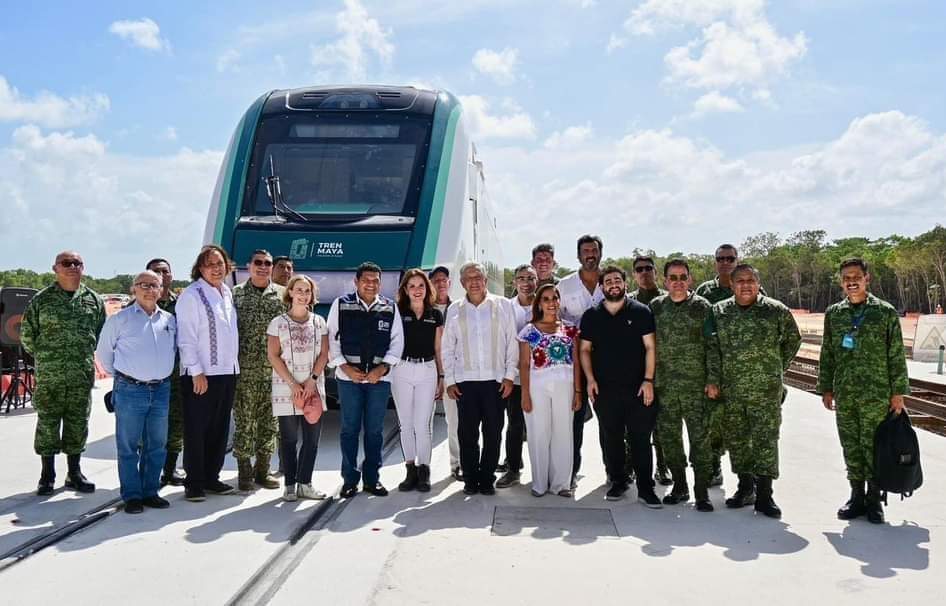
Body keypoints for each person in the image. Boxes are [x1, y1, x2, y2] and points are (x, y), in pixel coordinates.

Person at [818, 258, 910, 524]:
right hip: (846, 393)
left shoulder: (884, 312)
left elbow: (895, 355)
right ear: (841, 282)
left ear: (867, 278)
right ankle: (856, 495)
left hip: (877, 394)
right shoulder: (834, 314)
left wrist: (897, 393)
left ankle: (874, 499)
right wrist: (826, 387)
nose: (851, 281)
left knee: (874, 447)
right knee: (851, 445)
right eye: (846, 277)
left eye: (856, 276)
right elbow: (828, 353)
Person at [706, 264, 801, 518]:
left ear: (758, 284)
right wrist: (714, 379)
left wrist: (776, 367)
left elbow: (793, 339)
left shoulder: (774, 310)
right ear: (732, 284)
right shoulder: (720, 311)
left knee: (766, 440)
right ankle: (745, 487)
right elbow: (713, 348)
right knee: (737, 441)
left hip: (766, 390)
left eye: (750, 280)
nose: (745, 285)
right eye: (740, 281)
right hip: (732, 389)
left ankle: (765, 494)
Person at [22, 251, 106, 496]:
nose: (72, 267)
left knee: (78, 424)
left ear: (83, 268)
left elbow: (98, 332)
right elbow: (28, 335)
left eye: (76, 263)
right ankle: (47, 475)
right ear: (55, 268)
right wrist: (48, 357)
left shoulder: (93, 300)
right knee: (48, 424)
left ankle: (74, 472)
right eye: (66, 263)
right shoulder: (42, 300)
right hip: (50, 376)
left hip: (80, 376)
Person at [579, 265, 662, 508]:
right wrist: (591, 380)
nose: (613, 284)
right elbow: (584, 350)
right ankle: (618, 481)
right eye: (608, 281)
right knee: (612, 438)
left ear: (625, 284)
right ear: (602, 286)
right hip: (605, 390)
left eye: (617, 280)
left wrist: (648, 381)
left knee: (640, 440)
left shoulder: (641, 312)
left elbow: (650, 347)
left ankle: (646, 489)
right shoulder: (592, 315)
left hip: (638, 389)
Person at [96, 271, 177, 513]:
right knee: (129, 445)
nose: (149, 289)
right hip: (131, 390)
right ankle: (132, 495)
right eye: (144, 285)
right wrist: (125, 376)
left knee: (157, 444)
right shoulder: (119, 320)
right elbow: (103, 354)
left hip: (161, 389)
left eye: (155, 285)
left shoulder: (169, 321)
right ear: (134, 289)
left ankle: (150, 491)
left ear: (161, 290)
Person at [327, 261, 404, 498]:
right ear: (356, 282)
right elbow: (331, 340)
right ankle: (349, 480)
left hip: (378, 381)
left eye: (375, 280)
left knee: (374, 431)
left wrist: (381, 370)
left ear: (380, 283)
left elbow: (397, 342)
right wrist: (346, 368)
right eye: (366, 280)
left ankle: (373, 479)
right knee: (349, 430)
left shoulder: (390, 308)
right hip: (348, 379)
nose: (371, 284)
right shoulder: (341, 305)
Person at [442, 262, 519, 496]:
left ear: (485, 281)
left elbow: (512, 342)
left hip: (495, 381)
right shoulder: (454, 309)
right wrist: (450, 380)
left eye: (478, 277)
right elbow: (447, 347)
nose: (474, 281)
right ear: (463, 283)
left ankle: (486, 479)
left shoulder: (503, 305)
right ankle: (470, 479)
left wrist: (508, 376)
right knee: (467, 433)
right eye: (468, 278)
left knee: (493, 431)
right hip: (465, 382)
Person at [177, 245, 241, 502]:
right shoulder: (192, 295)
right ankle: (194, 481)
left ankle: (212, 477)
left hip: (227, 371)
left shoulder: (226, 292)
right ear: (200, 269)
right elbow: (186, 338)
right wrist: (196, 372)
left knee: (219, 426)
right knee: (197, 428)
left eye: (220, 263)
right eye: (210, 264)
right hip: (201, 374)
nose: (216, 268)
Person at [649, 259, 714, 511]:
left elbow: (712, 346)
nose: (678, 282)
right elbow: (647, 346)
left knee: (700, 440)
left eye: (682, 277)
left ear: (690, 280)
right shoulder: (656, 307)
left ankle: (701, 491)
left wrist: (712, 380)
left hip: (696, 387)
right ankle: (679, 485)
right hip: (664, 387)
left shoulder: (702, 308)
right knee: (669, 440)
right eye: (672, 278)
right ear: (665, 281)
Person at [267, 275, 329, 502]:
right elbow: (273, 356)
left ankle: (305, 483)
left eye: (308, 291)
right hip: (286, 389)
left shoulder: (319, 322)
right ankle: (290, 485)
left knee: (312, 440)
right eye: (299, 290)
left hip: (313, 389)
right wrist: (293, 384)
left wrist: (312, 380)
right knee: (289, 440)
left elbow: (324, 354)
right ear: (290, 292)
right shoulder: (277, 323)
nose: (303, 295)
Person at [518, 284, 581, 497]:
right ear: (539, 303)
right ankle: (539, 484)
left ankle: (561, 484)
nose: (552, 302)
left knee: (563, 432)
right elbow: (524, 365)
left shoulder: (570, 329)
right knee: (538, 432)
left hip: (565, 386)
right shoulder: (529, 331)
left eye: (555, 298)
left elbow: (577, 362)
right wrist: (525, 394)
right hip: (538, 388)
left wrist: (578, 391)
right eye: (546, 299)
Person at [232, 250, 287, 491]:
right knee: (244, 422)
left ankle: (262, 471)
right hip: (244, 372)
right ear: (249, 266)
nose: (263, 267)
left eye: (267, 263)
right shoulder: (235, 295)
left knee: (270, 424)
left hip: (274, 373)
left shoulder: (283, 295)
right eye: (258, 263)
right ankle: (244, 471)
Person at [696, 243, 750, 487]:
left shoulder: (752, 287)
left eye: (730, 258)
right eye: (721, 259)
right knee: (713, 424)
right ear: (715, 261)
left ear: (737, 260)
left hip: (744, 371)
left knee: (743, 429)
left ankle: (746, 479)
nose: (726, 263)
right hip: (714, 370)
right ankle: (714, 467)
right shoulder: (705, 291)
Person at [557, 234, 605, 489]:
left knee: (608, 421)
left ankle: (614, 471)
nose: (590, 255)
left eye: (594, 250)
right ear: (578, 256)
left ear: (600, 254)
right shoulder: (564, 286)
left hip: (606, 363)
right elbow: (557, 322)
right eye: (585, 251)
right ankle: (571, 471)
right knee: (573, 422)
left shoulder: (610, 282)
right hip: (573, 363)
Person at [391, 269, 444, 493]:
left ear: (427, 288)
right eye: (411, 286)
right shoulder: (397, 312)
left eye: (420, 286)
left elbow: (438, 348)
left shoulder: (435, 314)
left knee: (423, 425)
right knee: (406, 424)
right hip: (402, 369)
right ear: (405, 289)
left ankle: (424, 469)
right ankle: (410, 469)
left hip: (427, 370)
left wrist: (442, 376)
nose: (416, 290)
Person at [629, 254, 671, 486]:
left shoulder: (667, 300)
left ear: (656, 273)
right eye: (639, 269)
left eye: (648, 268)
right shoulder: (628, 301)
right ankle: (631, 466)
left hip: (663, 370)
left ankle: (663, 467)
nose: (644, 272)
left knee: (662, 424)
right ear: (634, 275)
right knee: (633, 423)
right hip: (635, 370)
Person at [145, 258, 186, 487]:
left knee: (175, 425)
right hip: (146, 380)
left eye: (164, 271)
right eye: (155, 271)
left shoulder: (181, 305)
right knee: (148, 429)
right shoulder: (135, 306)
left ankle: (170, 471)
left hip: (176, 377)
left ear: (171, 276)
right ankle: (148, 474)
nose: (160, 275)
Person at [496, 264, 537, 488]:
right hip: (513, 376)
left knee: (540, 426)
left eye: (530, 278)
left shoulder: (546, 305)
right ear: (514, 282)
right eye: (521, 278)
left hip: (541, 376)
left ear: (536, 281)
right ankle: (512, 469)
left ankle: (545, 470)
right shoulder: (505, 307)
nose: (526, 282)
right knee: (514, 423)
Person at [430, 265, 462, 482]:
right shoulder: (424, 309)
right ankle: (420, 467)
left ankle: (457, 463)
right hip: (427, 373)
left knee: (455, 420)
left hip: (452, 374)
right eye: (436, 280)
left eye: (444, 280)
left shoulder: (459, 309)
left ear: (449, 283)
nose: (441, 283)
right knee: (421, 424)